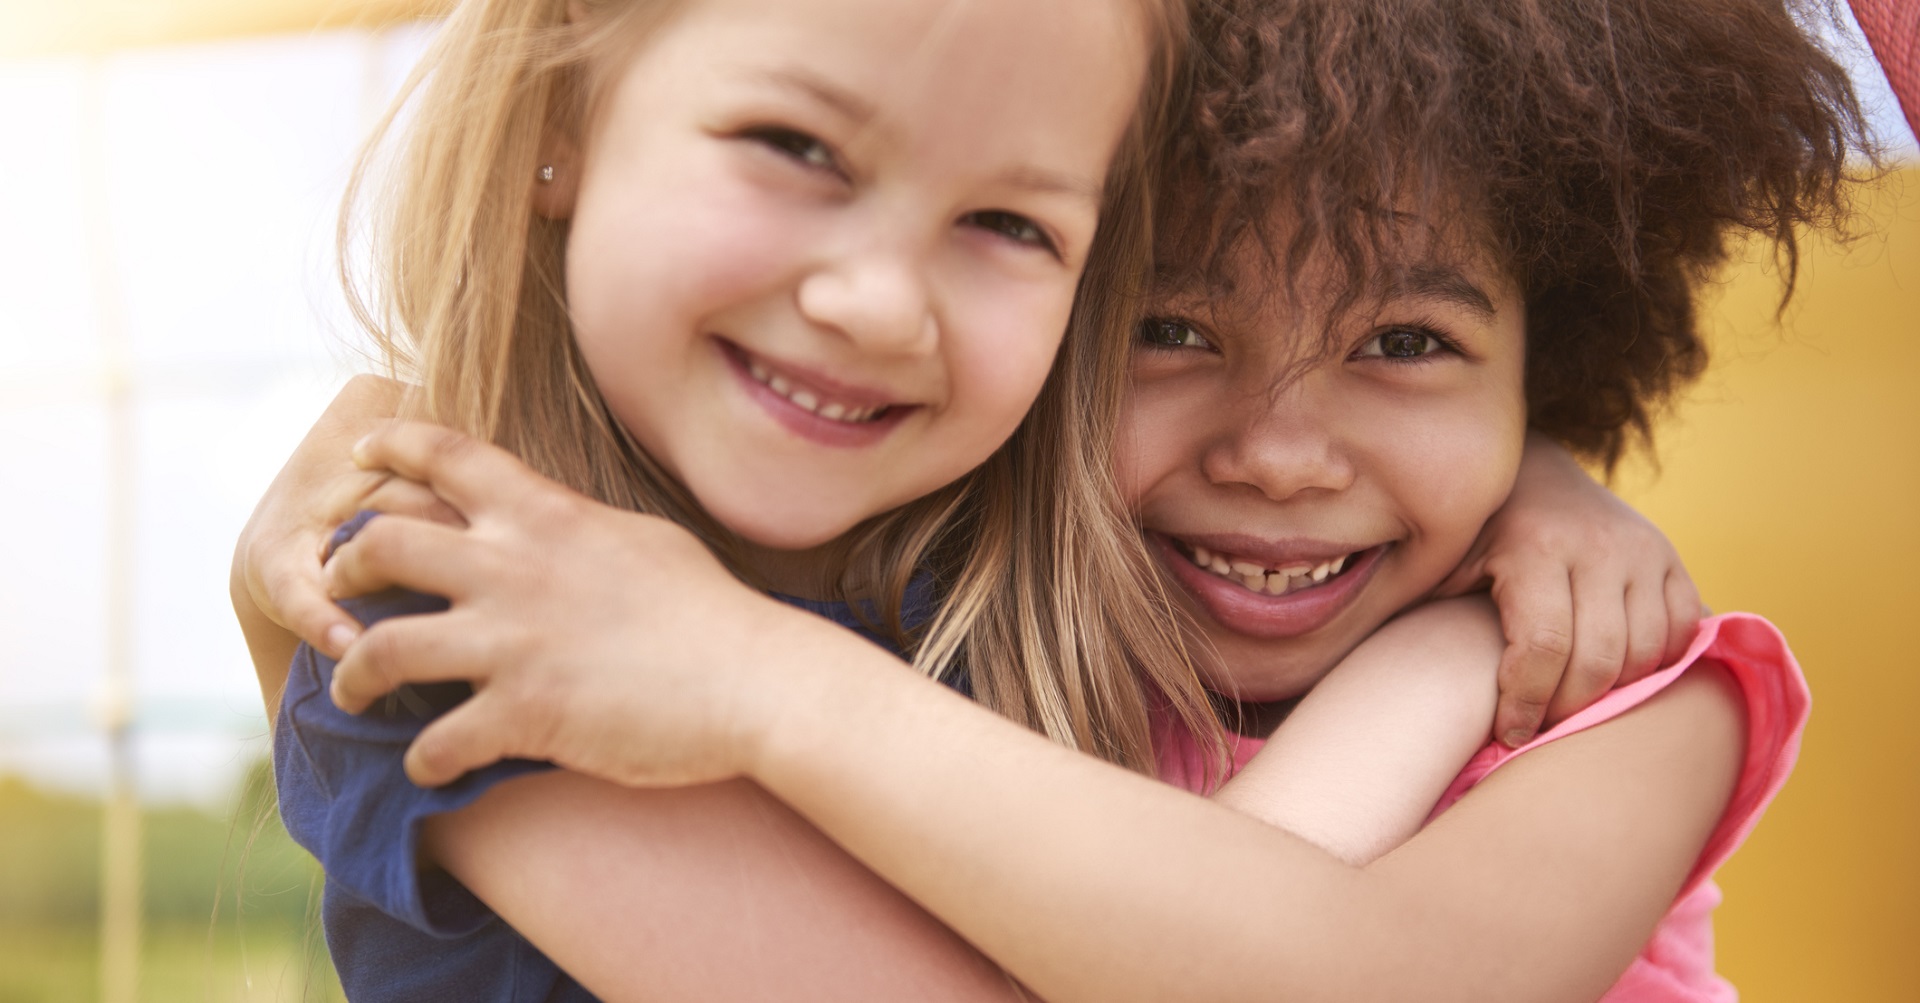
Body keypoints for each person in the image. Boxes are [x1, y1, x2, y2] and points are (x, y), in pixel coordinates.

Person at [237, 0, 1862, 1000]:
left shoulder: (987, 600)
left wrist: (1518, 519)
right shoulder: (506, 626)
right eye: (1170, 327)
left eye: (1006, 224)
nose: (1282, 452)